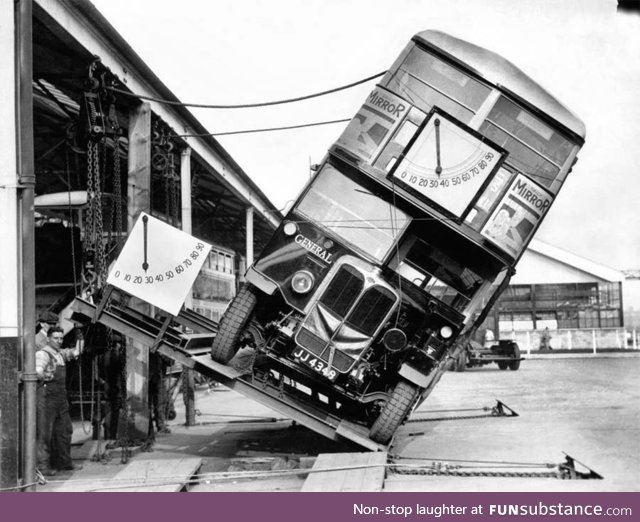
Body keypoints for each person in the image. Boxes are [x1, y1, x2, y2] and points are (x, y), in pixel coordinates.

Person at [35, 326, 82, 476]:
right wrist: (44, 376)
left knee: (64, 432)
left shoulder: (60, 354)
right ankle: (43, 467)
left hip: (61, 399)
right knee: (45, 434)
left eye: (61, 338)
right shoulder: (43, 354)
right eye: (56, 338)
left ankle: (65, 463)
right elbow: (37, 372)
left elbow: (77, 351)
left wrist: (80, 333)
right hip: (47, 399)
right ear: (48, 338)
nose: (59, 341)